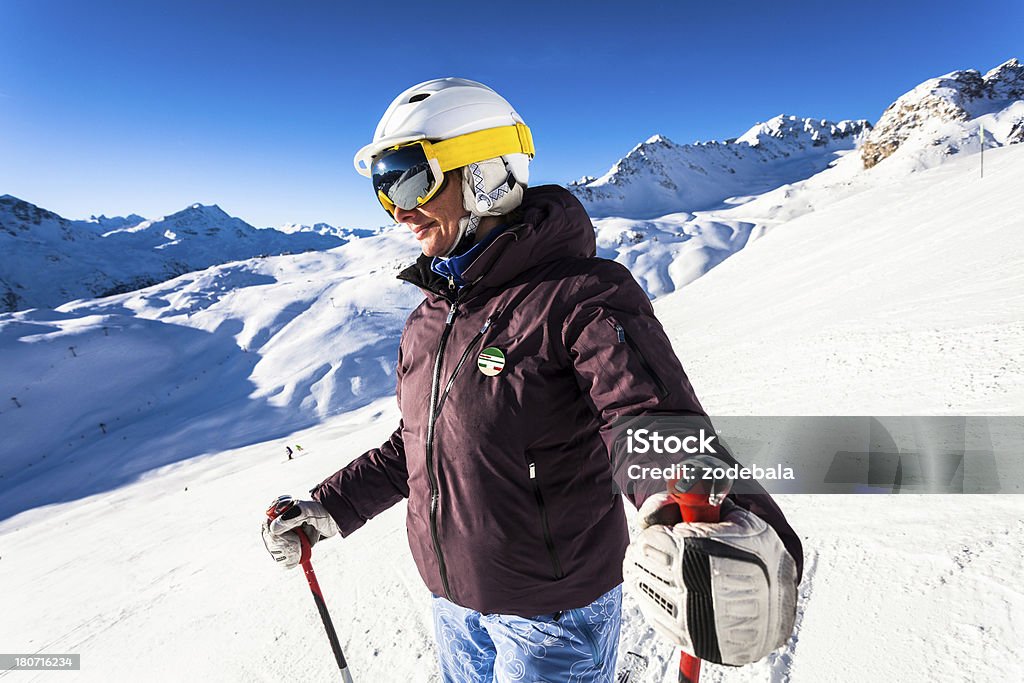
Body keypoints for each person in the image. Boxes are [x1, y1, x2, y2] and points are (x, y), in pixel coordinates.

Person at [262, 78, 802, 681]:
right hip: (453, 601)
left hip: (554, 613)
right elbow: (419, 442)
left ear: (486, 176)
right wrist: (329, 508)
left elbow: (644, 417)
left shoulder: (581, 296)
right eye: (382, 188)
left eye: (412, 179)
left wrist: (714, 522)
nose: (399, 209)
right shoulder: (430, 317)